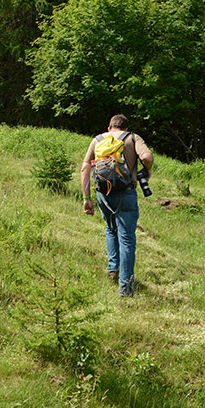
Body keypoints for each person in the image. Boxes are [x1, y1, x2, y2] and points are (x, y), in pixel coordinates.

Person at [81, 114, 154, 297]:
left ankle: (113, 269)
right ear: (126, 128)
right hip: (126, 192)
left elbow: (85, 168)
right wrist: (147, 168)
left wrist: (86, 197)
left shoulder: (98, 140)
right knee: (127, 238)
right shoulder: (132, 138)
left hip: (102, 194)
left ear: (109, 128)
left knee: (110, 229)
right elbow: (146, 156)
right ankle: (126, 288)